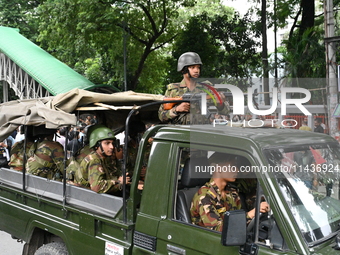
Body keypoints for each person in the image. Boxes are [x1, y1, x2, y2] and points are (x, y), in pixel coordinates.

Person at [190, 153, 269, 231]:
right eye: (232, 166)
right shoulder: (204, 196)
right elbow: (218, 230)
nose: (237, 170)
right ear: (219, 168)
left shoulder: (231, 191)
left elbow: (238, 217)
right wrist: (251, 214)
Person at [158, 52, 230, 125]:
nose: (196, 70)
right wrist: (177, 109)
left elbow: (226, 112)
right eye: (192, 67)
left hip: (201, 131)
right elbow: (161, 116)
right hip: (179, 132)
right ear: (183, 70)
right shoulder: (173, 90)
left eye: (198, 67)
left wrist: (220, 105)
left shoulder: (206, 88)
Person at [73, 125, 129, 194]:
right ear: (97, 145)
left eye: (112, 143)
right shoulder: (94, 160)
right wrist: (119, 182)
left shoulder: (104, 158)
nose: (111, 147)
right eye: (107, 143)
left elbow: (112, 175)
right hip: (86, 197)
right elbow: (97, 187)